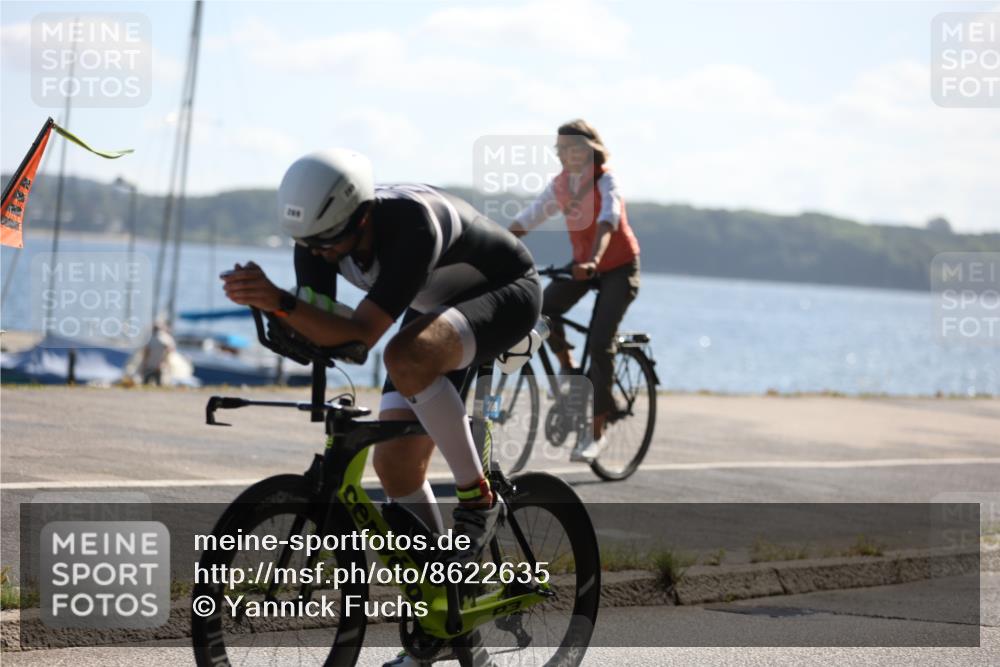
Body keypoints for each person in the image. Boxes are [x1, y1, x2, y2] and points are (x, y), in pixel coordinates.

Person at [221, 150, 541, 648]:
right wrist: (275, 310)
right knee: (395, 468)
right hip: (435, 306)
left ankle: (479, 498)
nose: (323, 254)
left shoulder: (411, 226)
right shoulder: (318, 240)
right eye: (310, 244)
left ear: (362, 216)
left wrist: (281, 301)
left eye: (331, 241)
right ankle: (446, 604)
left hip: (506, 293)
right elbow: (324, 331)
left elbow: (361, 335)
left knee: (404, 354)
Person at [510, 119, 640, 462]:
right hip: (583, 264)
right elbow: (529, 218)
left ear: (588, 149)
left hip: (618, 267)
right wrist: (495, 246)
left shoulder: (606, 180)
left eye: (571, 148)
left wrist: (595, 259)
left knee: (599, 343)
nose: (564, 154)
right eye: (560, 148)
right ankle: (568, 369)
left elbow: (608, 220)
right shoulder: (561, 185)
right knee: (540, 309)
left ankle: (596, 433)